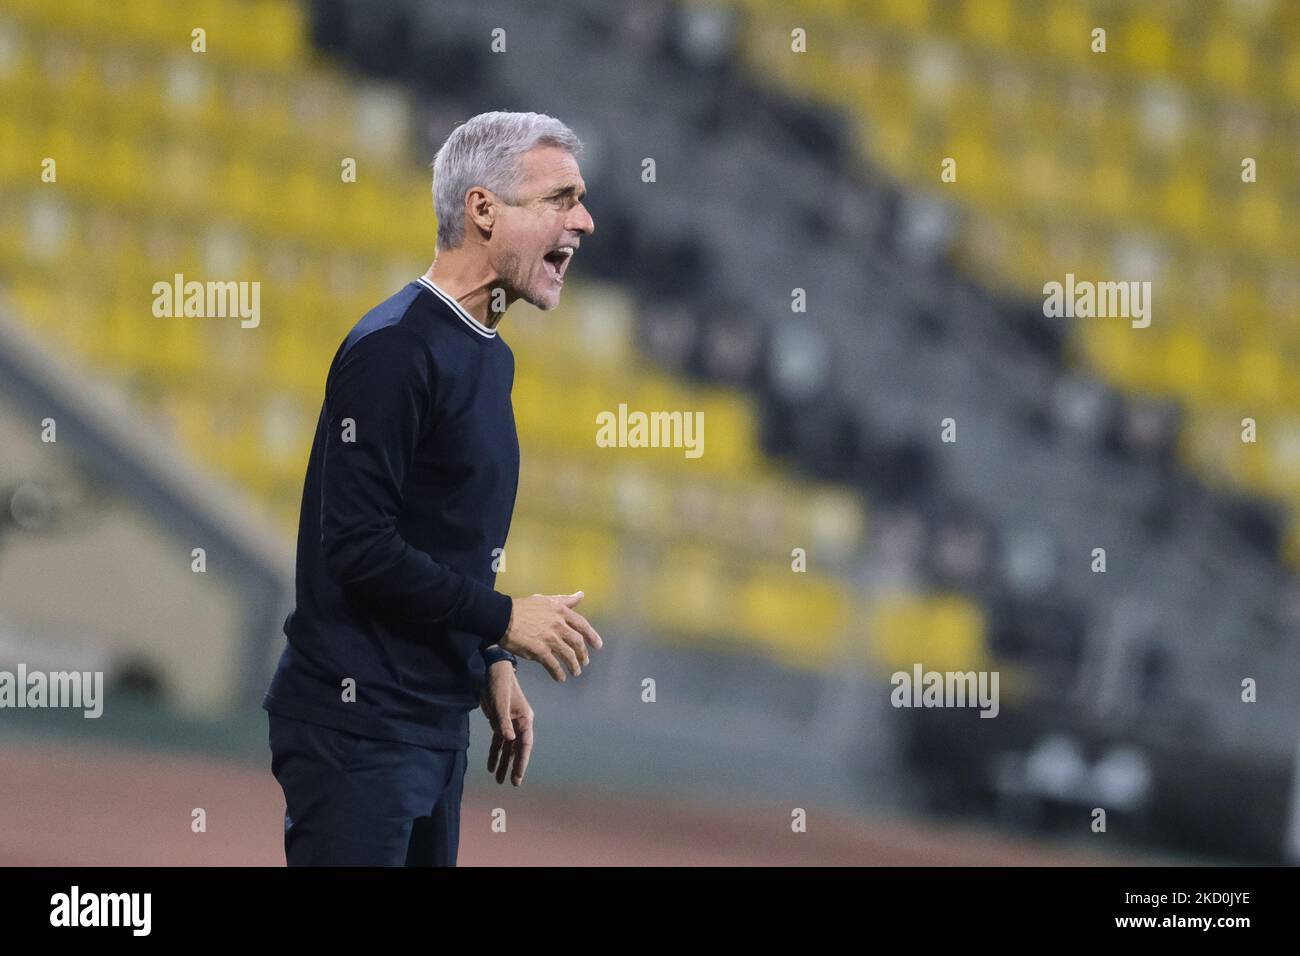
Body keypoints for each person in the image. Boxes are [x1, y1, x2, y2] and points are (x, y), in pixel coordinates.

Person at [263, 111, 601, 866]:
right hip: (358, 728)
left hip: (432, 725)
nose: (584, 219)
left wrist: (487, 656)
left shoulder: (491, 355)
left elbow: (436, 536)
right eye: (559, 198)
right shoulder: (394, 349)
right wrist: (504, 616)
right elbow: (358, 545)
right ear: (483, 209)